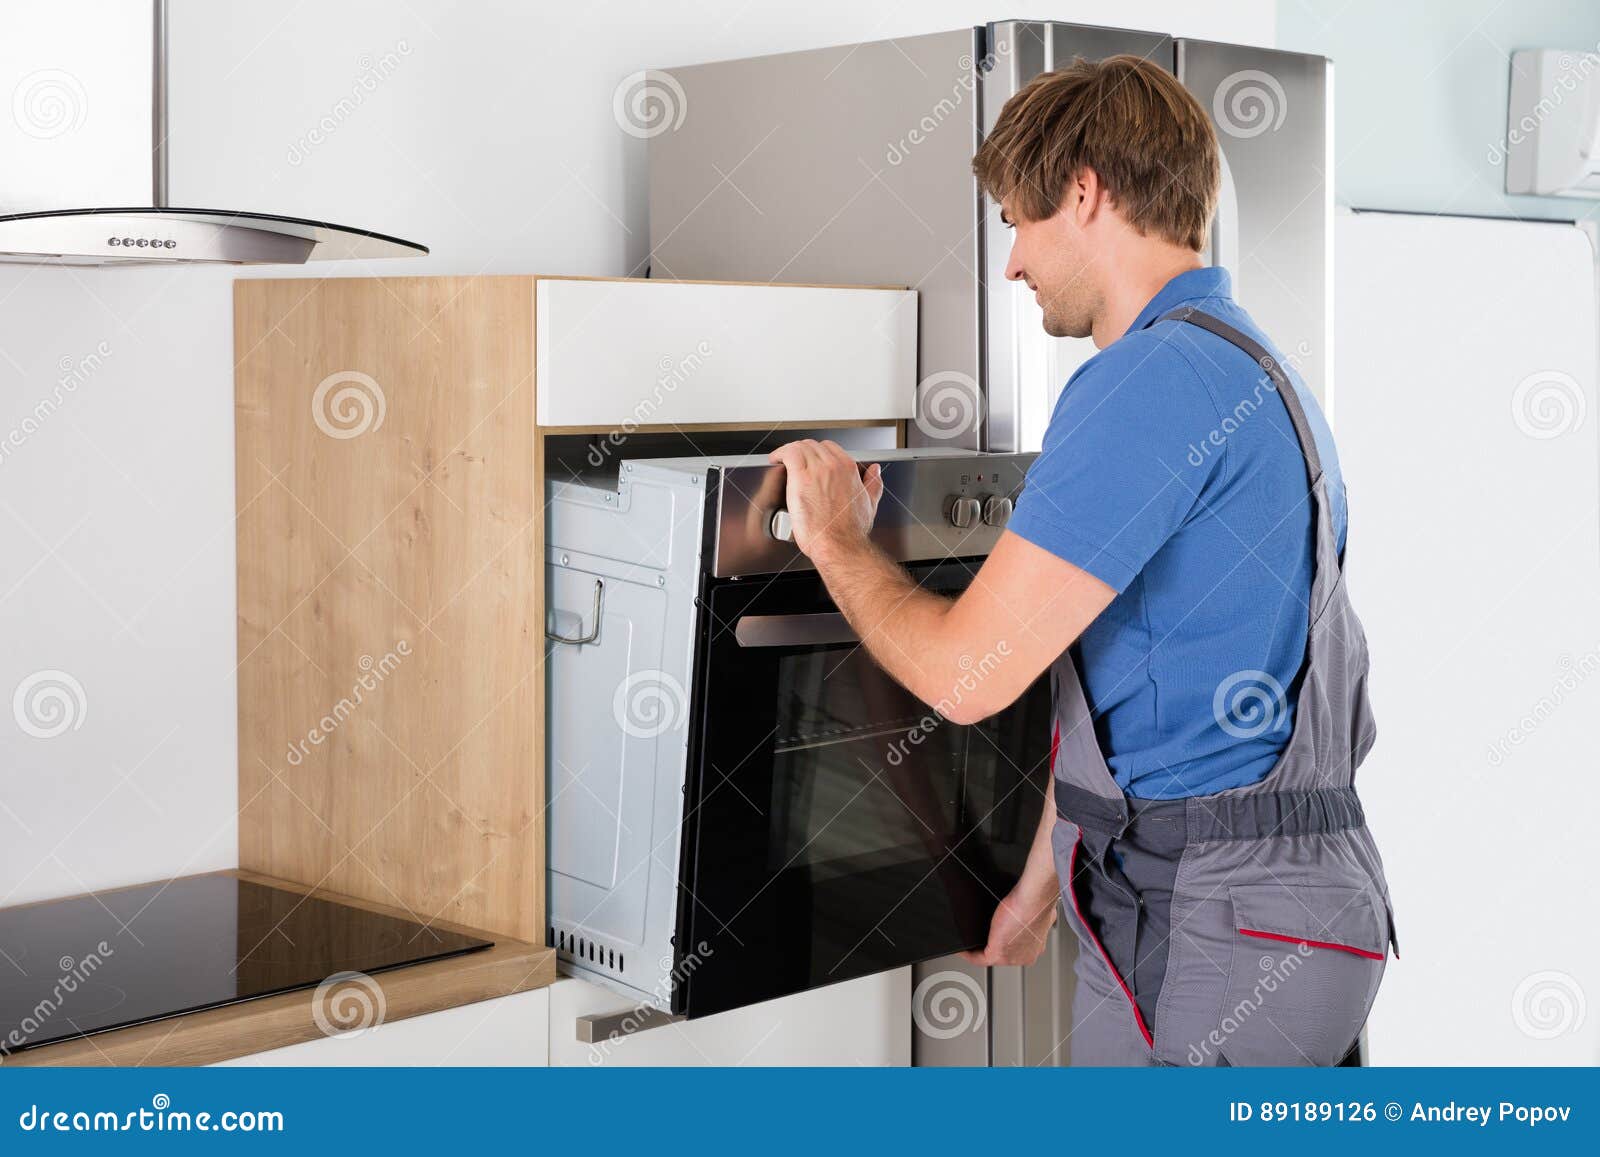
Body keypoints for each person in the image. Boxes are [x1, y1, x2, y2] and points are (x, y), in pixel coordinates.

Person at [768, 54, 1396, 1067]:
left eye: (1017, 221)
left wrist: (837, 542)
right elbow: (1137, 687)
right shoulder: (1249, 364)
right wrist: (1035, 888)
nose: (1011, 262)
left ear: (1084, 192)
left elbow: (965, 676)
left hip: (1224, 914)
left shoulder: (1147, 380)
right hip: (1262, 904)